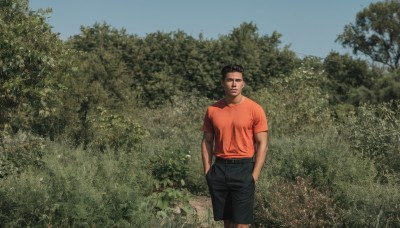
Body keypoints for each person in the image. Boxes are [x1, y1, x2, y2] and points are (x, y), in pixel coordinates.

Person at [201, 64, 268, 228]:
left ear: (243, 83)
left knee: (242, 224)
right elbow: (207, 141)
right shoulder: (212, 110)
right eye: (230, 80)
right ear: (222, 82)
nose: (234, 84)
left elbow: (262, 143)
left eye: (238, 80)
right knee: (228, 223)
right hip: (220, 168)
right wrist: (208, 171)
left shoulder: (255, 109)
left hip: (244, 168)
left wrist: (254, 176)